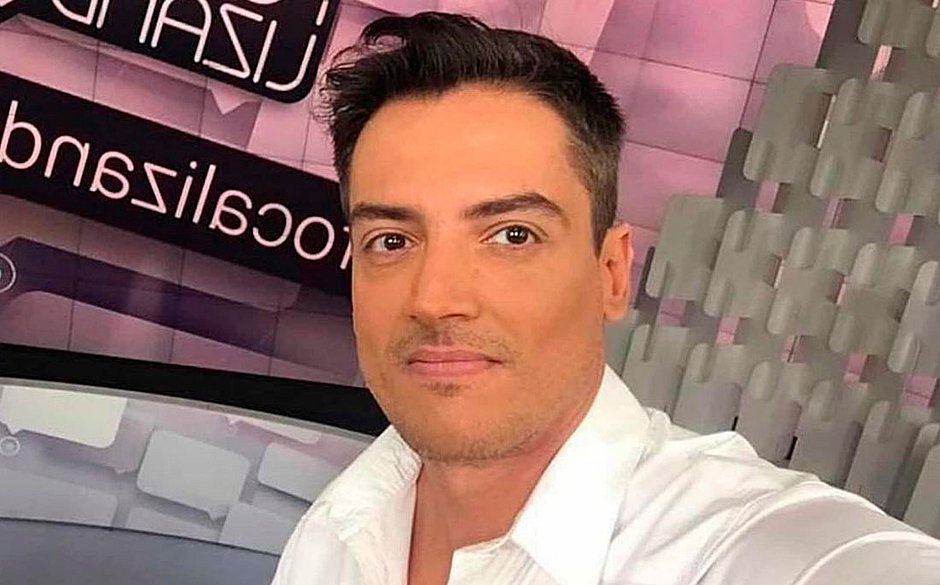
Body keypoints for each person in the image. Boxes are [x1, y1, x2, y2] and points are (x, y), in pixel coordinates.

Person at [272, 12, 940, 585]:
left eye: (512, 234)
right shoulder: (341, 522)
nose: (435, 297)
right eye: (391, 240)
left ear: (612, 273)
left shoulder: (738, 546)